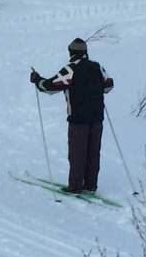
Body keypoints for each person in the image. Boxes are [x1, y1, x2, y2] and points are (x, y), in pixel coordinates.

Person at [31, 37, 113, 194]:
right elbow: (109, 85)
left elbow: (50, 86)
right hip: (97, 118)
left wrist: (37, 80)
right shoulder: (97, 67)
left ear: (71, 53)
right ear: (85, 52)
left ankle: (75, 187)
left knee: (78, 153)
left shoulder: (70, 69)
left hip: (78, 119)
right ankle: (91, 185)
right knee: (93, 152)